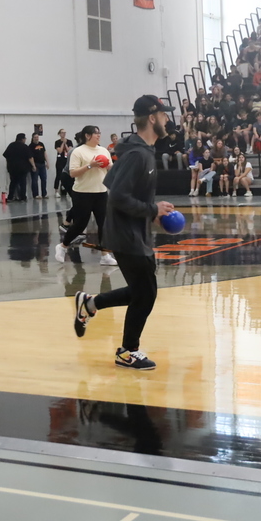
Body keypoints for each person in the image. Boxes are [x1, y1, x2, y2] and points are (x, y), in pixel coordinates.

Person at [71, 95, 175, 371]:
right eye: (164, 114)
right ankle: (128, 351)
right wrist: (151, 208)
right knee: (147, 293)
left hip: (131, 231)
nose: (167, 119)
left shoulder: (137, 151)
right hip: (126, 234)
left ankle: (90, 304)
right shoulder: (138, 154)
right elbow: (116, 196)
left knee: (142, 291)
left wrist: (149, 212)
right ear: (153, 118)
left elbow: (110, 181)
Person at [56, 126, 116, 266]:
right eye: (96, 133)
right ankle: (62, 246)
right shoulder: (77, 152)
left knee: (104, 224)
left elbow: (110, 168)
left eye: (99, 132)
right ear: (87, 136)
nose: (99, 135)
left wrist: (110, 167)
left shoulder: (103, 150)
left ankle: (105, 254)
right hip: (82, 193)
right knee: (80, 224)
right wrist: (90, 165)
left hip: (101, 192)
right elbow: (72, 173)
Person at [2, 134, 33, 201]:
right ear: (22, 139)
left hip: (12, 168)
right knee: (23, 183)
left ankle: (10, 197)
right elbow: (30, 157)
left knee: (13, 183)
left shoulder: (11, 145)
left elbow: (5, 155)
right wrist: (33, 166)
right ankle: (22, 197)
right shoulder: (25, 147)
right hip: (22, 168)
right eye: (24, 139)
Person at [28, 132, 49, 199]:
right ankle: (35, 194)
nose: (36, 138)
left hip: (42, 164)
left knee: (44, 179)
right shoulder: (31, 146)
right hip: (36, 164)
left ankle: (44, 194)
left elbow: (45, 153)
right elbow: (30, 157)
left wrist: (47, 162)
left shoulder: (41, 144)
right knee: (34, 180)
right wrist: (33, 166)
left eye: (37, 137)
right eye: (35, 137)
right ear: (33, 138)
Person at [53, 129, 73, 197]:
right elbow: (60, 151)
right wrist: (63, 143)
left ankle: (67, 190)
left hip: (67, 160)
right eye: (62, 133)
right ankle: (56, 191)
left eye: (64, 133)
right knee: (58, 175)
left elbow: (69, 151)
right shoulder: (57, 142)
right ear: (59, 134)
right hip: (60, 160)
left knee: (68, 175)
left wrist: (66, 144)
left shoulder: (69, 141)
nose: (63, 134)